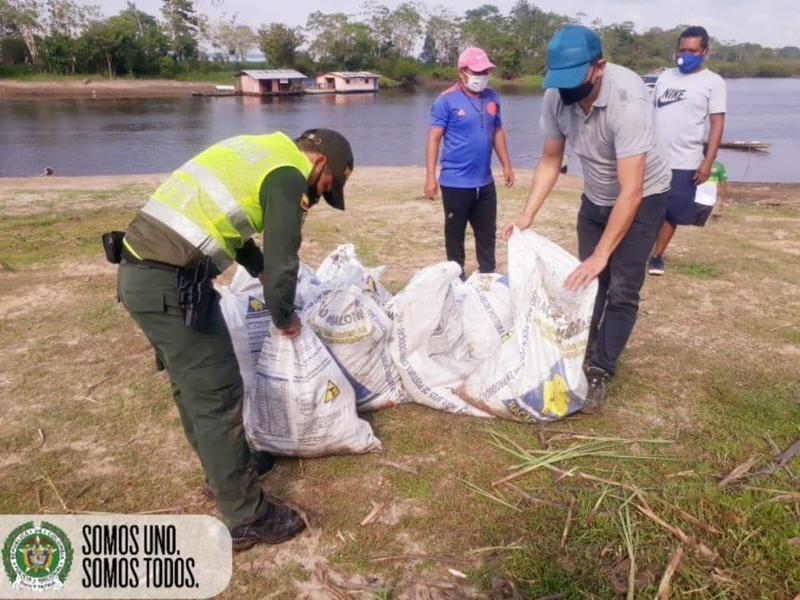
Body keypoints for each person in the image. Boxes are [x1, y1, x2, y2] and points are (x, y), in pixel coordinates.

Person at [115, 128, 353, 550]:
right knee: (217, 394)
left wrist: (255, 266)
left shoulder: (261, 150)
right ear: (319, 163)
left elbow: (232, 220)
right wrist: (284, 316)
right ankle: (247, 516)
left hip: (145, 275)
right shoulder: (288, 175)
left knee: (193, 389)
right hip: (170, 282)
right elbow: (286, 259)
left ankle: (227, 473)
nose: (316, 198)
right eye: (324, 189)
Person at [502, 25, 671, 413]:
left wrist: (601, 255)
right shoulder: (556, 97)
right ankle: (581, 349)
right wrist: (527, 214)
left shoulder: (628, 101)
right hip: (595, 196)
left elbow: (632, 191)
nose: (565, 89)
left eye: (573, 78)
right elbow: (550, 159)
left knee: (622, 287)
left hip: (642, 197)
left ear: (599, 67)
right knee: (589, 284)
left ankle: (600, 368)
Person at [425, 46, 514, 277]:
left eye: (486, 71)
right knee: (455, 233)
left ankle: (487, 275)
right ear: (462, 72)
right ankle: (456, 277)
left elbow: (497, 132)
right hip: (455, 182)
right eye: (478, 71)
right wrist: (430, 178)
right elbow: (434, 139)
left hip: (484, 182)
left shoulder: (492, 97)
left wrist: (506, 165)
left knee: (486, 232)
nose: (482, 76)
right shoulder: (445, 101)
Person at [648, 26, 726, 276]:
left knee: (671, 212)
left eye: (692, 50)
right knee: (644, 208)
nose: (686, 55)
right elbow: (650, 114)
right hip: (653, 156)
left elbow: (717, 124)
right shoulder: (664, 77)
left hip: (686, 160)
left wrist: (708, 162)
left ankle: (656, 256)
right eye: (682, 50)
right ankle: (636, 251)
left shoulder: (713, 82)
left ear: (705, 51)